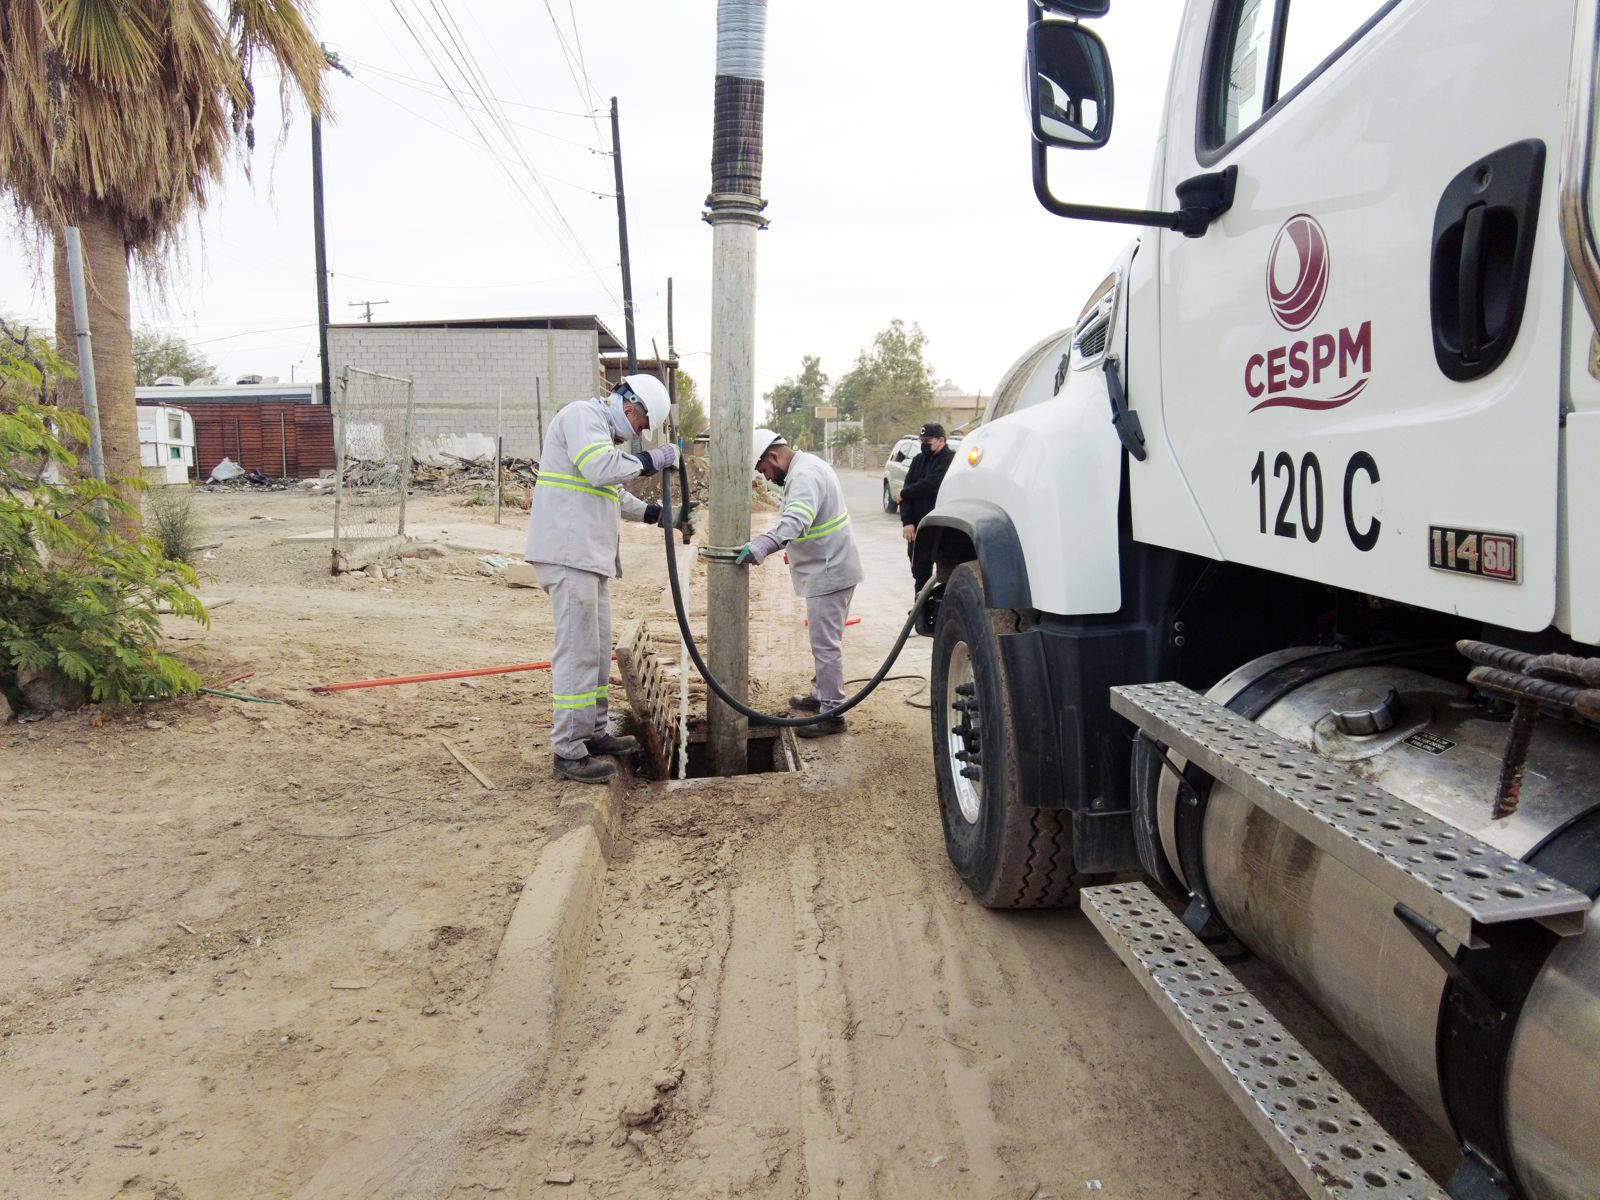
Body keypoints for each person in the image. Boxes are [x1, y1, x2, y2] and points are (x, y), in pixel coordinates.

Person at [524, 375, 691, 784]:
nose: (637, 435)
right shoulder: (582, 417)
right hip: (568, 555)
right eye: (639, 428)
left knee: (596, 653)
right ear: (631, 407)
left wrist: (658, 516)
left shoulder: (599, 434)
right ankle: (568, 750)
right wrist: (654, 459)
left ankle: (593, 733)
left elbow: (611, 493)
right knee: (578, 652)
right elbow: (601, 471)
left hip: (587, 559)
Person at [737, 428, 864, 738]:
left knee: (825, 645)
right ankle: (821, 695)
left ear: (773, 456)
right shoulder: (807, 466)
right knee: (824, 640)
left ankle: (832, 713)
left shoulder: (804, 475)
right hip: (829, 566)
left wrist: (765, 544)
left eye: (764, 470)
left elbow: (797, 520)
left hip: (830, 571)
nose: (766, 477)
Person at [896, 422, 954, 597]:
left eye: (928, 441)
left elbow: (931, 484)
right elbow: (905, 494)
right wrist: (907, 522)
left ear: (941, 440)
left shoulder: (950, 460)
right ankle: (920, 617)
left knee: (947, 576)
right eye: (922, 440)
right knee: (920, 576)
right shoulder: (918, 460)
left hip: (942, 530)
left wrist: (905, 493)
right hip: (918, 529)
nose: (924, 444)